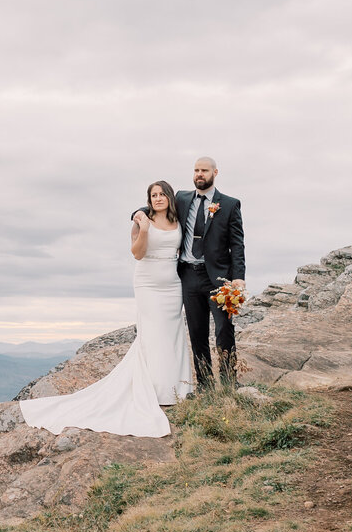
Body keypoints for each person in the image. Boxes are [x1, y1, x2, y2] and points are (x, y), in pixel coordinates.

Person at [20, 181, 194, 438]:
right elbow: (136, 253)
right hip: (148, 283)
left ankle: (176, 388)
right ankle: (154, 390)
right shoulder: (141, 220)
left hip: (172, 284)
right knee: (153, 334)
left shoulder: (178, 220)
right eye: (153, 195)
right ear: (148, 200)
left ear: (169, 197)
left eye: (161, 194)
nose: (158, 198)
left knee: (173, 333)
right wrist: (144, 229)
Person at [174, 157, 245, 389]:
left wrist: (238, 276)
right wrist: (140, 212)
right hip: (189, 275)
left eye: (204, 170)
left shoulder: (230, 204)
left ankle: (228, 382)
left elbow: (237, 244)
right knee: (197, 332)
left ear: (215, 172)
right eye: (196, 170)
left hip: (219, 278)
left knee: (224, 330)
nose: (199, 174)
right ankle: (205, 385)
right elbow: (158, 206)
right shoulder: (182, 199)